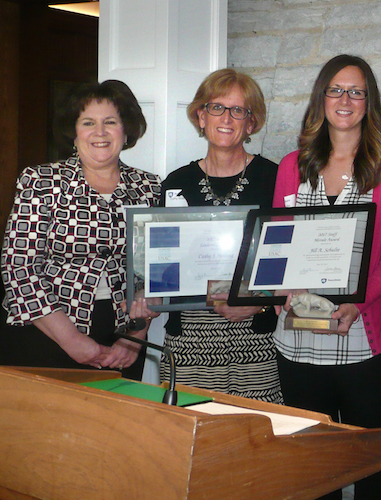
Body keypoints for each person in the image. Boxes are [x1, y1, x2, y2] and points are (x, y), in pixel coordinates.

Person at [272, 54, 381, 500]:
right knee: (313, 463)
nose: (345, 99)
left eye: (357, 91)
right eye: (336, 89)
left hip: (363, 341)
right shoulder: (292, 165)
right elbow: (276, 245)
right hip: (297, 339)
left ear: (369, 102)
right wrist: (278, 291)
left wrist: (360, 301)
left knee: (368, 461)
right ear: (322, 98)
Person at [1, 80, 161, 380]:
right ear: (74, 132)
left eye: (110, 122)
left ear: (126, 130)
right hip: (46, 332)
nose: (99, 132)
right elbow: (18, 268)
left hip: (122, 338)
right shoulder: (41, 181)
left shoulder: (148, 187)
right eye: (88, 122)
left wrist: (134, 337)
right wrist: (72, 341)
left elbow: (155, 272)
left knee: (119, 425)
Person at [144, 68, 282, 403]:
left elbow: (286, 257)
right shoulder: (176, 184)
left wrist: (259, 303)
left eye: (239, 110)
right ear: (201, 116)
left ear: (251, 123)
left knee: (257, 437)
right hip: (190, 341)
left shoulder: (275, 179)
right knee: (191, 434)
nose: (227, 118)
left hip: (255, 339)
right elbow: (162, 266)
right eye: (217, 107)